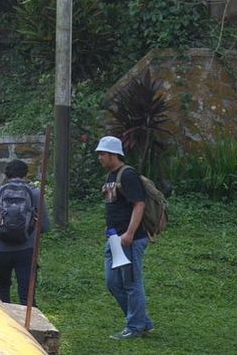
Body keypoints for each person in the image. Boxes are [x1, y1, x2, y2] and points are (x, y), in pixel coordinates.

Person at [96, 135, 155, 340]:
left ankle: (135, 327)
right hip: (114, 238)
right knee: (113, 283)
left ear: (114, 154)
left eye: (102, 153)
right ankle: (143, 321)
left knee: (131, 283)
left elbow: (139, 204)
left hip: (129, 238)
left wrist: (129, 233)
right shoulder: (111, 176)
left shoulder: (127, 175)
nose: (100, 157)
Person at [0, 159, 49, 307]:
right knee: (26, 296)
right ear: (25, 174)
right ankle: (28, 326)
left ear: (7, 174)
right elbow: (45, 225)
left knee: (2, 289)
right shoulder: (35, 193)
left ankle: (4, 324)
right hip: (27, 249)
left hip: (1, 249)